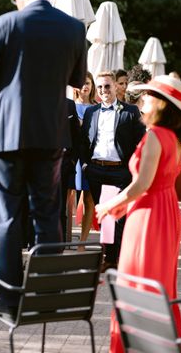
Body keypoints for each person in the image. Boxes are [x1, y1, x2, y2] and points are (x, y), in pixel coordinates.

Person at [0, 0, 87, 317]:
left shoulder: (3, 25)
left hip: (8, 134)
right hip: (51, 134)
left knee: (7, 217)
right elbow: (78, 79)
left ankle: (9, 300)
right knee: (47, 214)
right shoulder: (73, 29)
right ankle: (48, 295)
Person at [96, 75, 181, 353]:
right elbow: (153, 183)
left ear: (162, 104)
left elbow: (142, 184)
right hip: (165, 212)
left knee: (138, 280)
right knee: (159, 282)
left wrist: (107, 205)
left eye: (149, 95)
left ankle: (134, 345)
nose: (143, 100)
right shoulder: (174, 139)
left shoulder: (155, 136)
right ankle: (159, 344)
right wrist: (119, 205)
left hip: (149, 216)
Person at [80, 71, 145, 266]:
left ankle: (117, 258)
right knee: (104, 217)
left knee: (119, 217)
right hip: (96, 170)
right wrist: (85, 165)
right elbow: (84, 141)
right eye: (99, 87)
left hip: (120, 170)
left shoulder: (130, 111)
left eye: (107, 86)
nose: (103, 90)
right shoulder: (92, 112)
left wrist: (133, 170)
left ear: (116, 86)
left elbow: (140, 142)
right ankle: (109, 258)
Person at [71, 72, 97, 248]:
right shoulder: (69, 106)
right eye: (81, 84)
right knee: (68, 199)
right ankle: (64, 235)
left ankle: (82, 241)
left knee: (89, 199)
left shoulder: (97, 107)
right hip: (72, 157)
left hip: (91, 156)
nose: (85, 87)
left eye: (88, 83)